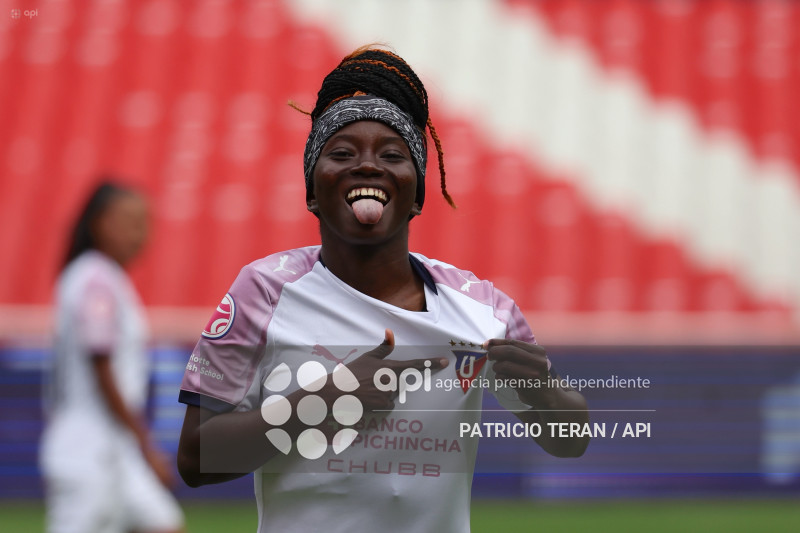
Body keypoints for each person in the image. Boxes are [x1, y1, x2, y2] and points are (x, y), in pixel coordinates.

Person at [177, 45, 589, 532]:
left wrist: (543, 392)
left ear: (416, 195)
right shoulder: (263, 293)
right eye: (342, 153)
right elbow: (196, 460)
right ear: (313, 188)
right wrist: (326, 402)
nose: (368, 166)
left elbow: (570, 438)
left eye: (393, 155)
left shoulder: (483, 311)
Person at [40, 181, 185, 533]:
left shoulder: (102, 277)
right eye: (131, 223)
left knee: (164, 524)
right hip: (89, 448)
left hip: (113, 448)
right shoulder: (95, 279)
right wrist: (146, 444)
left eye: (145, 224)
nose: (142, 234)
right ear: (101, 223)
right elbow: (102, 366)